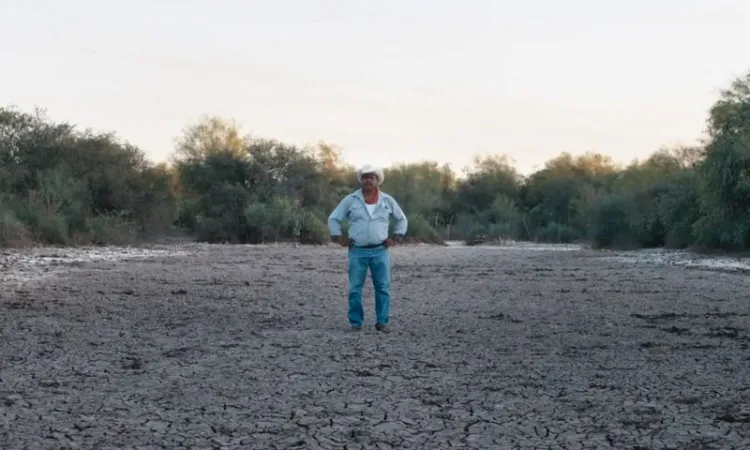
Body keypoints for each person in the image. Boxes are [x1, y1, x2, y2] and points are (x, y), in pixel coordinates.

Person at [328, 165, 408, 333]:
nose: (368, 180)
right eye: (365, 177)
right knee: (355, 289)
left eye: (372, 177)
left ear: (377, 180)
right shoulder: (350, 200)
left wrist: (396, 237)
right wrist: (338, 237)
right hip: (357, 251)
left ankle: (382, 322)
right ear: (361, 180)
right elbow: (334, 219)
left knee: (383, 288)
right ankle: (356, 323)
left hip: (381, 251)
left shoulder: (387, 200)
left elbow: (402, 220)